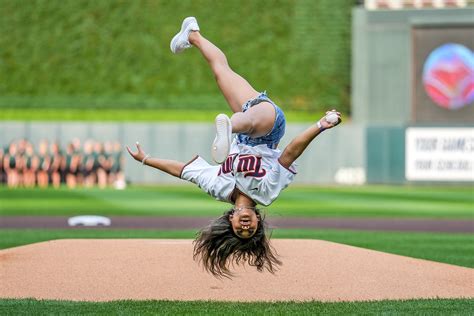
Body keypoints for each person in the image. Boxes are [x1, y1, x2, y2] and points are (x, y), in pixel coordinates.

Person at [127, 17, 341, 278]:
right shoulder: (266, 193)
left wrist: (146, 159)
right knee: (247, 123)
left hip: (245, 123)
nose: (245, 227)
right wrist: (320, 125)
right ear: (257, 221)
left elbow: (183, 170)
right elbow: (289, 153)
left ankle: (192, 34)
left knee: (221, 71)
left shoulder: (219, 187)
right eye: (250, 230)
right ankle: (229, 126)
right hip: (269, 126)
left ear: (231, 219)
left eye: (240, 230)